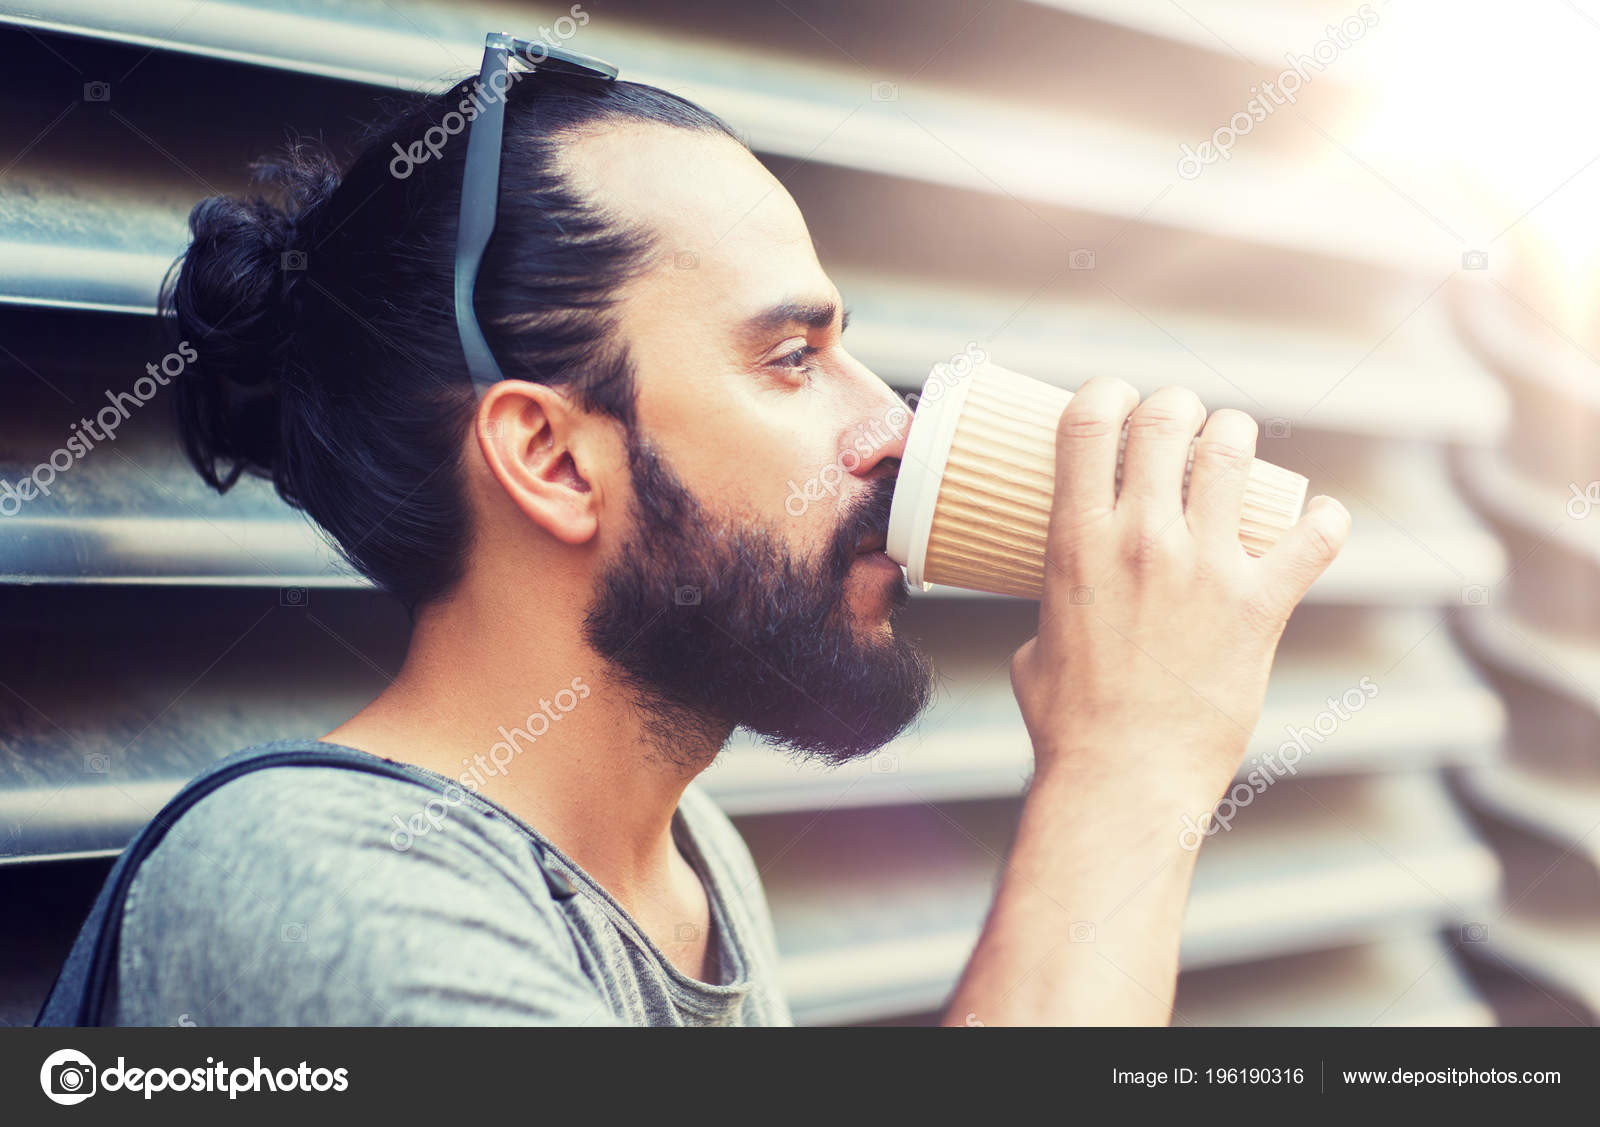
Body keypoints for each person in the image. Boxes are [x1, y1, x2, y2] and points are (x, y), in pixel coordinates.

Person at [115, 64, 1348, 1026]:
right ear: (551, 459)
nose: (893, 427)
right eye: (793, 357)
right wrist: (1128, 767)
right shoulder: (326, 879)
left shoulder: (690, 866)